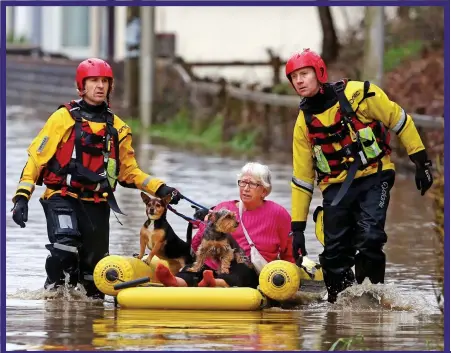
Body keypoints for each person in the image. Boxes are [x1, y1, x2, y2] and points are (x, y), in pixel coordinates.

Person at [11, 58, 181, 299]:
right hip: (62, 197)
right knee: (65, 247)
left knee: (94, 279)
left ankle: (86, 319)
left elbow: (129, 173)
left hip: (97, 203)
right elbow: (36, 159)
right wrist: (21, 198)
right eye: (93, 81)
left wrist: (161, 188)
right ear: (81, 86)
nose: (100, 86)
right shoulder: (62, 118)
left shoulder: (119, 129)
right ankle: (53, 297)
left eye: (104, 81)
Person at [285, 49, 433, 303]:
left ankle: (372, 300)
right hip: (335, 186)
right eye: (294, 77)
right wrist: (297, 229)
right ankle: (340, 308)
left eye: (304, 74)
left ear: (319, 73)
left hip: (375, 176)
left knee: (370, 237)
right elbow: (302, 180)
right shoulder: (303, 125)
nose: (299, 80)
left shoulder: (360, 94)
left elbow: (400, 120)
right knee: (333, 255)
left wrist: (420, 161)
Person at [154, 162, 295, 288]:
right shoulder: (223, 208)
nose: (245, 188)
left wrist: (289, 276)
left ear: (264, 191)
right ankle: (176, 281)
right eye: (242, 183)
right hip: (215, 264)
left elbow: (290, 251)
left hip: (249, 268)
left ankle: (214, 283)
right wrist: (205, 224)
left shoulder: (278, 214)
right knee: (197, 267)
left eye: (252, 184)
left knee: (241, 270)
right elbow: (197, 246)